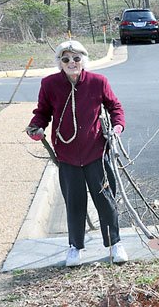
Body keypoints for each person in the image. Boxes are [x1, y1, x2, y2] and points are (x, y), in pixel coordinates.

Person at [26, 40, 128, 267]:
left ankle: (114, 244)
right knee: (74, 203)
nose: (71, 63)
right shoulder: (49, 84)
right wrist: (36, 128)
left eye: (76, 58)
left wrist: (117, 127)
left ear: (84, 60)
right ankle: (75, 247)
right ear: (60, 63)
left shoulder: (98, 82)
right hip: (67, 155)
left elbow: (115, 108)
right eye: (66, 59)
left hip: (96, 153)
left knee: (105, 200)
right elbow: (42, 113)